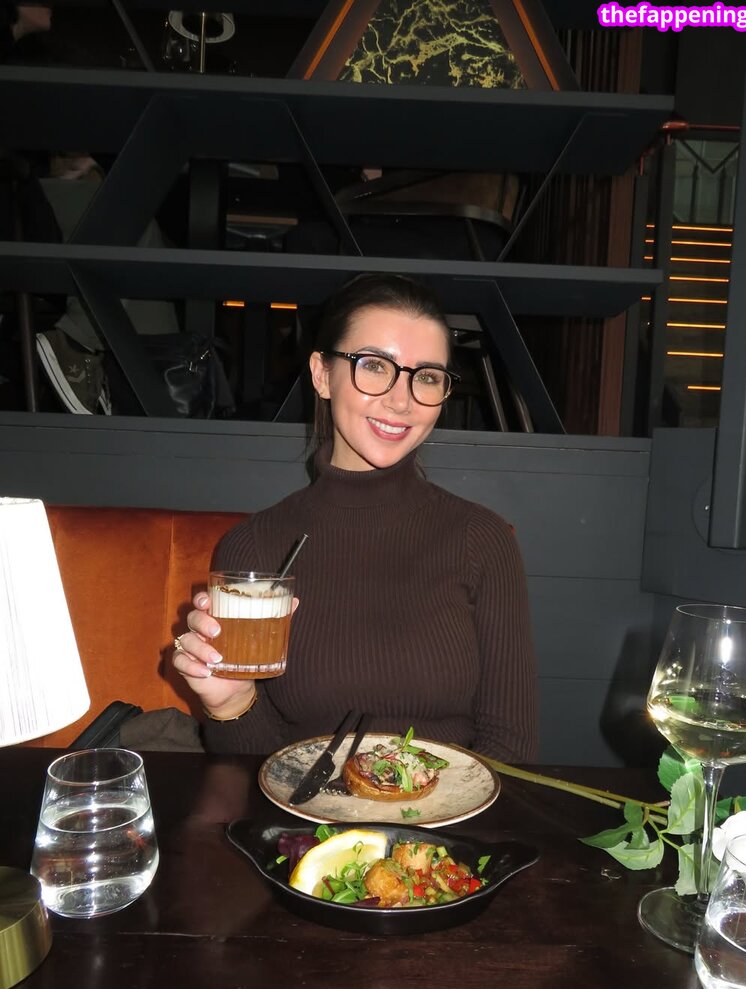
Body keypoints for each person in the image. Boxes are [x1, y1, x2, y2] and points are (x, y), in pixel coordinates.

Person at [173, 273, 538, 761]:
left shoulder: (482, 539)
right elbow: (254, 773)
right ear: (322, 375)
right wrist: (231, 703)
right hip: (307, 809)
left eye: (427, 376)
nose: (402, 400)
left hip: (450, 806)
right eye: (374, 366)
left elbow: (511, 747)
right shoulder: (255, 548)